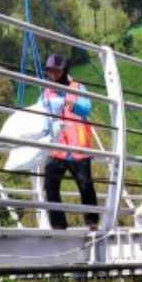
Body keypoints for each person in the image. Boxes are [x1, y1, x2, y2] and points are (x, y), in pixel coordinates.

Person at [39, 53, 99, 231]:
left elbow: (86, 108)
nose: (53, 75)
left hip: (78, 146)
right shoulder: (46, 92)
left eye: (56, 71)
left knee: (85, 184)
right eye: (50, 72)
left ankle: (92, 222)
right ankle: (58, 224)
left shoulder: (77, 87)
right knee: (50, 183)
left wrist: (67, 100)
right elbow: (40, 113)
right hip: (58, 147)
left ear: (64, 71)